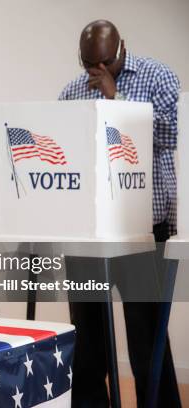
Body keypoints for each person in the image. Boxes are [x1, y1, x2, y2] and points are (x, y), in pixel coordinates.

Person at [60, 20, 181, 407]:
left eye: (105, 64)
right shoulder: (72, 91)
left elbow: (172, 136)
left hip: (144, 229)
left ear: (121, 49)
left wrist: (118, 99)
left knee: (148, 341)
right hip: (88, 233)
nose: (97, 72)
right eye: (89, 65)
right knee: (88, 340)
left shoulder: (157, 76)